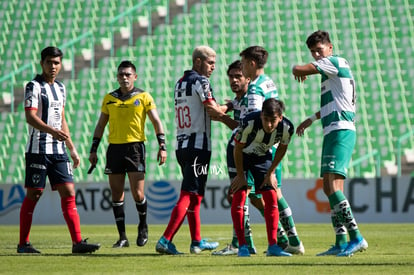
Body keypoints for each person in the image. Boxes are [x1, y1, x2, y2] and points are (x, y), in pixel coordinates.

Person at [293, 30, 368, 257]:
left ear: (330, 48)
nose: (316, 55)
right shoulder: (329, 74)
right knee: (328, 187)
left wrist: (301, 69)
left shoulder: (335, 62)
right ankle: (341, 240)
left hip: (341, 131)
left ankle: (357, 238)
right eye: (313, 52)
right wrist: (311, 119)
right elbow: (334, 103)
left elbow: (297, 69)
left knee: (333, 187)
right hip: (332, 130)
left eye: (319, 50)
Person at [18, 46, 100, 254]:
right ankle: (23, 244)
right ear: (41, 64)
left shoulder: (61, 88)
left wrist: (71, 148)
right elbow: (30, 116)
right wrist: (51, 132)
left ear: (60, 64)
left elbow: (62, 119)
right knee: (35, 193)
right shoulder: (33, 86)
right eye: (49, 62)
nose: (53, 66)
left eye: (56, 63)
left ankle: (78, 242)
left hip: (58, 150)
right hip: (38, 148)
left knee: (69, 191)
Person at [88, 60, 167, 248]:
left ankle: (143, 226)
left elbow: (156, 121)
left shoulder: (144, 96)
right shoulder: (109, 98)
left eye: (128, 74)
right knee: (116, 193)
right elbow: (100, 125)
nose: (124, 77)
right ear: (117, 77)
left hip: (135, 149)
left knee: (137, 193)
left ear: (135, 76)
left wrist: (162, 145)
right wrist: (93, 149)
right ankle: (122, 237)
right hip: (114, 149)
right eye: (121, 74)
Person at [155, 46, 221, 255]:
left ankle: (196, 241)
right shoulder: (201, 81)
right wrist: (229, 110)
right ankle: (166, 240)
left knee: (196, 195)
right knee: (189, 193)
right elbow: (211, 108)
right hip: (198, 147)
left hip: (182, 146)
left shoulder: (180, 83)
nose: (213, 68)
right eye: (210, 63)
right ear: (198, 61)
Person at [239, 46, 305, 255]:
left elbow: (256, 122)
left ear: (251, 63)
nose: (241, 68)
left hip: (260, 150)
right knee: (267, 194)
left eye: (242, 63)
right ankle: (287, 238)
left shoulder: (256, 89)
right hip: (271, 146)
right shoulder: (268, 81)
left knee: (265, 194)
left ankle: (287, 239)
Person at [231, 98, 293, 257]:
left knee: (271, 196)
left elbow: (281, 149)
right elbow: (237, 148)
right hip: (239, 155)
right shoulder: (249, 123)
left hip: (262, 156)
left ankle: (273, 246)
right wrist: (240, 176)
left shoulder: (287, 128)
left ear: (280, 117)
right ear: (261, 116)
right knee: (240, 196)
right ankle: (243, 247)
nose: (269, 124)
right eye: (266, 119)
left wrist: (271, 172)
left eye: (273, 120)